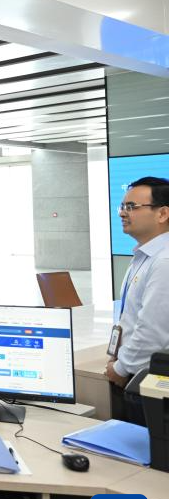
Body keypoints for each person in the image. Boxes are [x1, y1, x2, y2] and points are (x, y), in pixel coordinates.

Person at [106, 176, 169, 425]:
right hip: (138, 372)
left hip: (148, 378)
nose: (123, 213)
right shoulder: (145, 255)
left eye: (132, 207)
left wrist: (121, 368)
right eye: (122, 206)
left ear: (162, 213)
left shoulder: (164, 261)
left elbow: (153, 331)